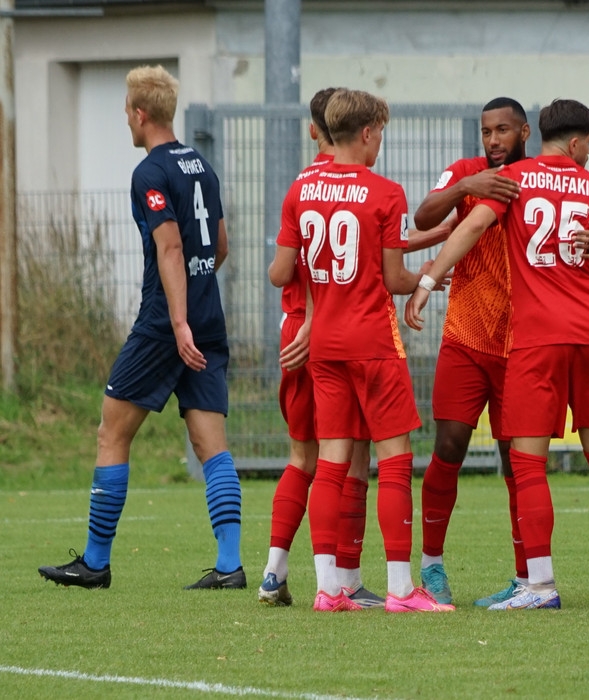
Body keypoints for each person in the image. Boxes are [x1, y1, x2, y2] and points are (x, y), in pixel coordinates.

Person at [407, 98, 589, 611]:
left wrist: (426, 281)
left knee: (521, 463)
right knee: (452, 447)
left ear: (525, 133)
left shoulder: (519, 180)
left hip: (524, 342)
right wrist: (466, 187)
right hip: (477, 334)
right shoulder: (484, 175)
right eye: (485, 131)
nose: (492, 140)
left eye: (502, 130)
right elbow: (424, 215)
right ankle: (433, 565)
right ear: (577, 143)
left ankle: (530, 579)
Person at [39, 65, 245, 590]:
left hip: (164, 325)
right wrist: (195, 303)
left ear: (139, 114)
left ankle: (94, 563)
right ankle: (230, 566)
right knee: (211, 445)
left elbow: (170, 247)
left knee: (112, 432)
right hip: (208, 316)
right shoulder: (202, 166)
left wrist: (177, 321)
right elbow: (219, 246)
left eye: (126, 113)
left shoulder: (150, 172)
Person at [270, 88, 453, 613]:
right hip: (372, 341)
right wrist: (426, 277)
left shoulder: (301, 187)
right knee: (395, 458)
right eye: (381, 134)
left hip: (322, 343)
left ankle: (328, 589)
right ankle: (401, 590)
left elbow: (283, 270)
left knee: (329, 461)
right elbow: (394, 278)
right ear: (368, 133)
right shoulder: (385, 192)